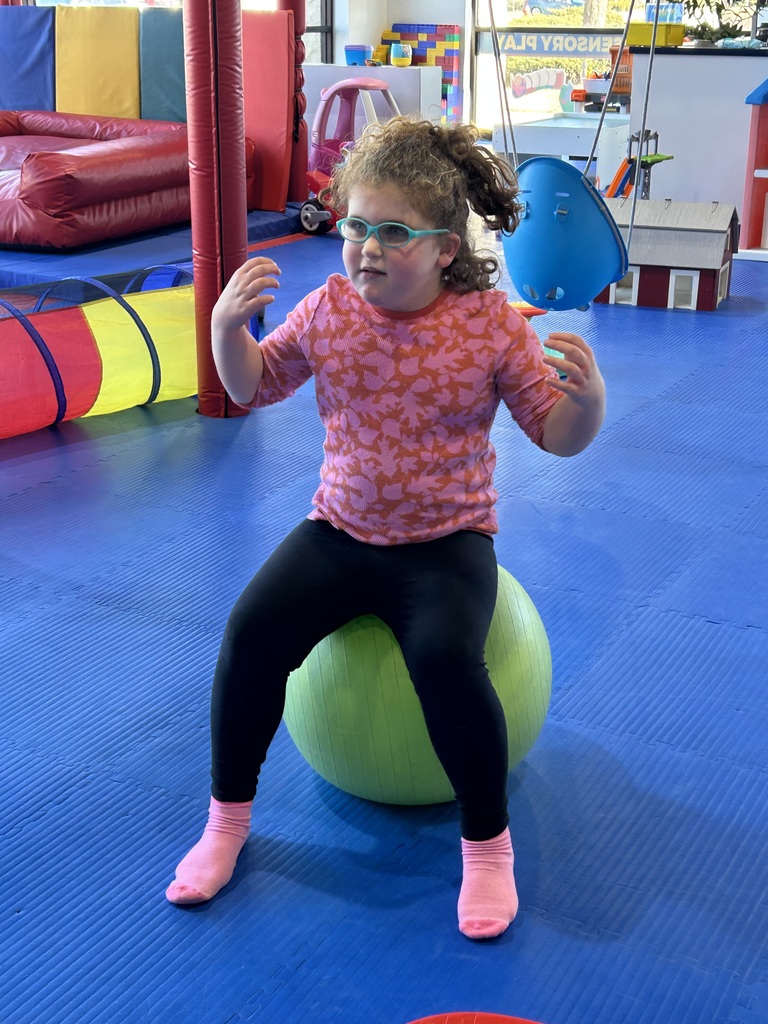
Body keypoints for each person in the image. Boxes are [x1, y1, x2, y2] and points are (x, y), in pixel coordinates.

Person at [166, 117, 605, 940]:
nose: (366, 245)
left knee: (444, 657)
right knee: (250, 630)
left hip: (448, 544)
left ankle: (486, 847)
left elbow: (554, 434)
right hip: (339, 531)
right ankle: (226, 822)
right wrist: (228, 331)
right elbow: (255, 387)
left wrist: (588, 407)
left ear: (444, 247)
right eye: (355, 225)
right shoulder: (331, 309)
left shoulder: (489, 325)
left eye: (393, 231)